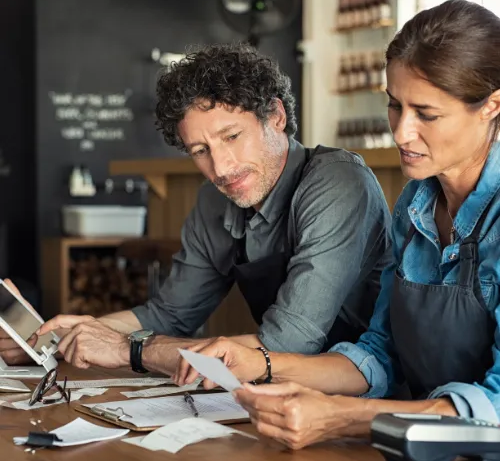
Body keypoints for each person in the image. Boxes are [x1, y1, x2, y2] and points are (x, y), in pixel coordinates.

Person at [173, 0, 500, 449]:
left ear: (491, 106)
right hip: (426, 450)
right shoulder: (414, 205)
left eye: (426, 114)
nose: (401, 132)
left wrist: (347, 416)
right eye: (394, 105)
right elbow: (380, 353)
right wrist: (258, 364)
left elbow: (496, 407)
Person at [0, 44, 392, 373]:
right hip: (283, 393)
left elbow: (289, 343)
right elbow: (170, 313)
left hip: (368, 394)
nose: (220, 168)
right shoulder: (214, 198)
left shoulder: (337, 183)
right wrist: (66, 336)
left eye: (232, 136)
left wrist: (128, 350)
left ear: (275, 116)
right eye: (200, 151)